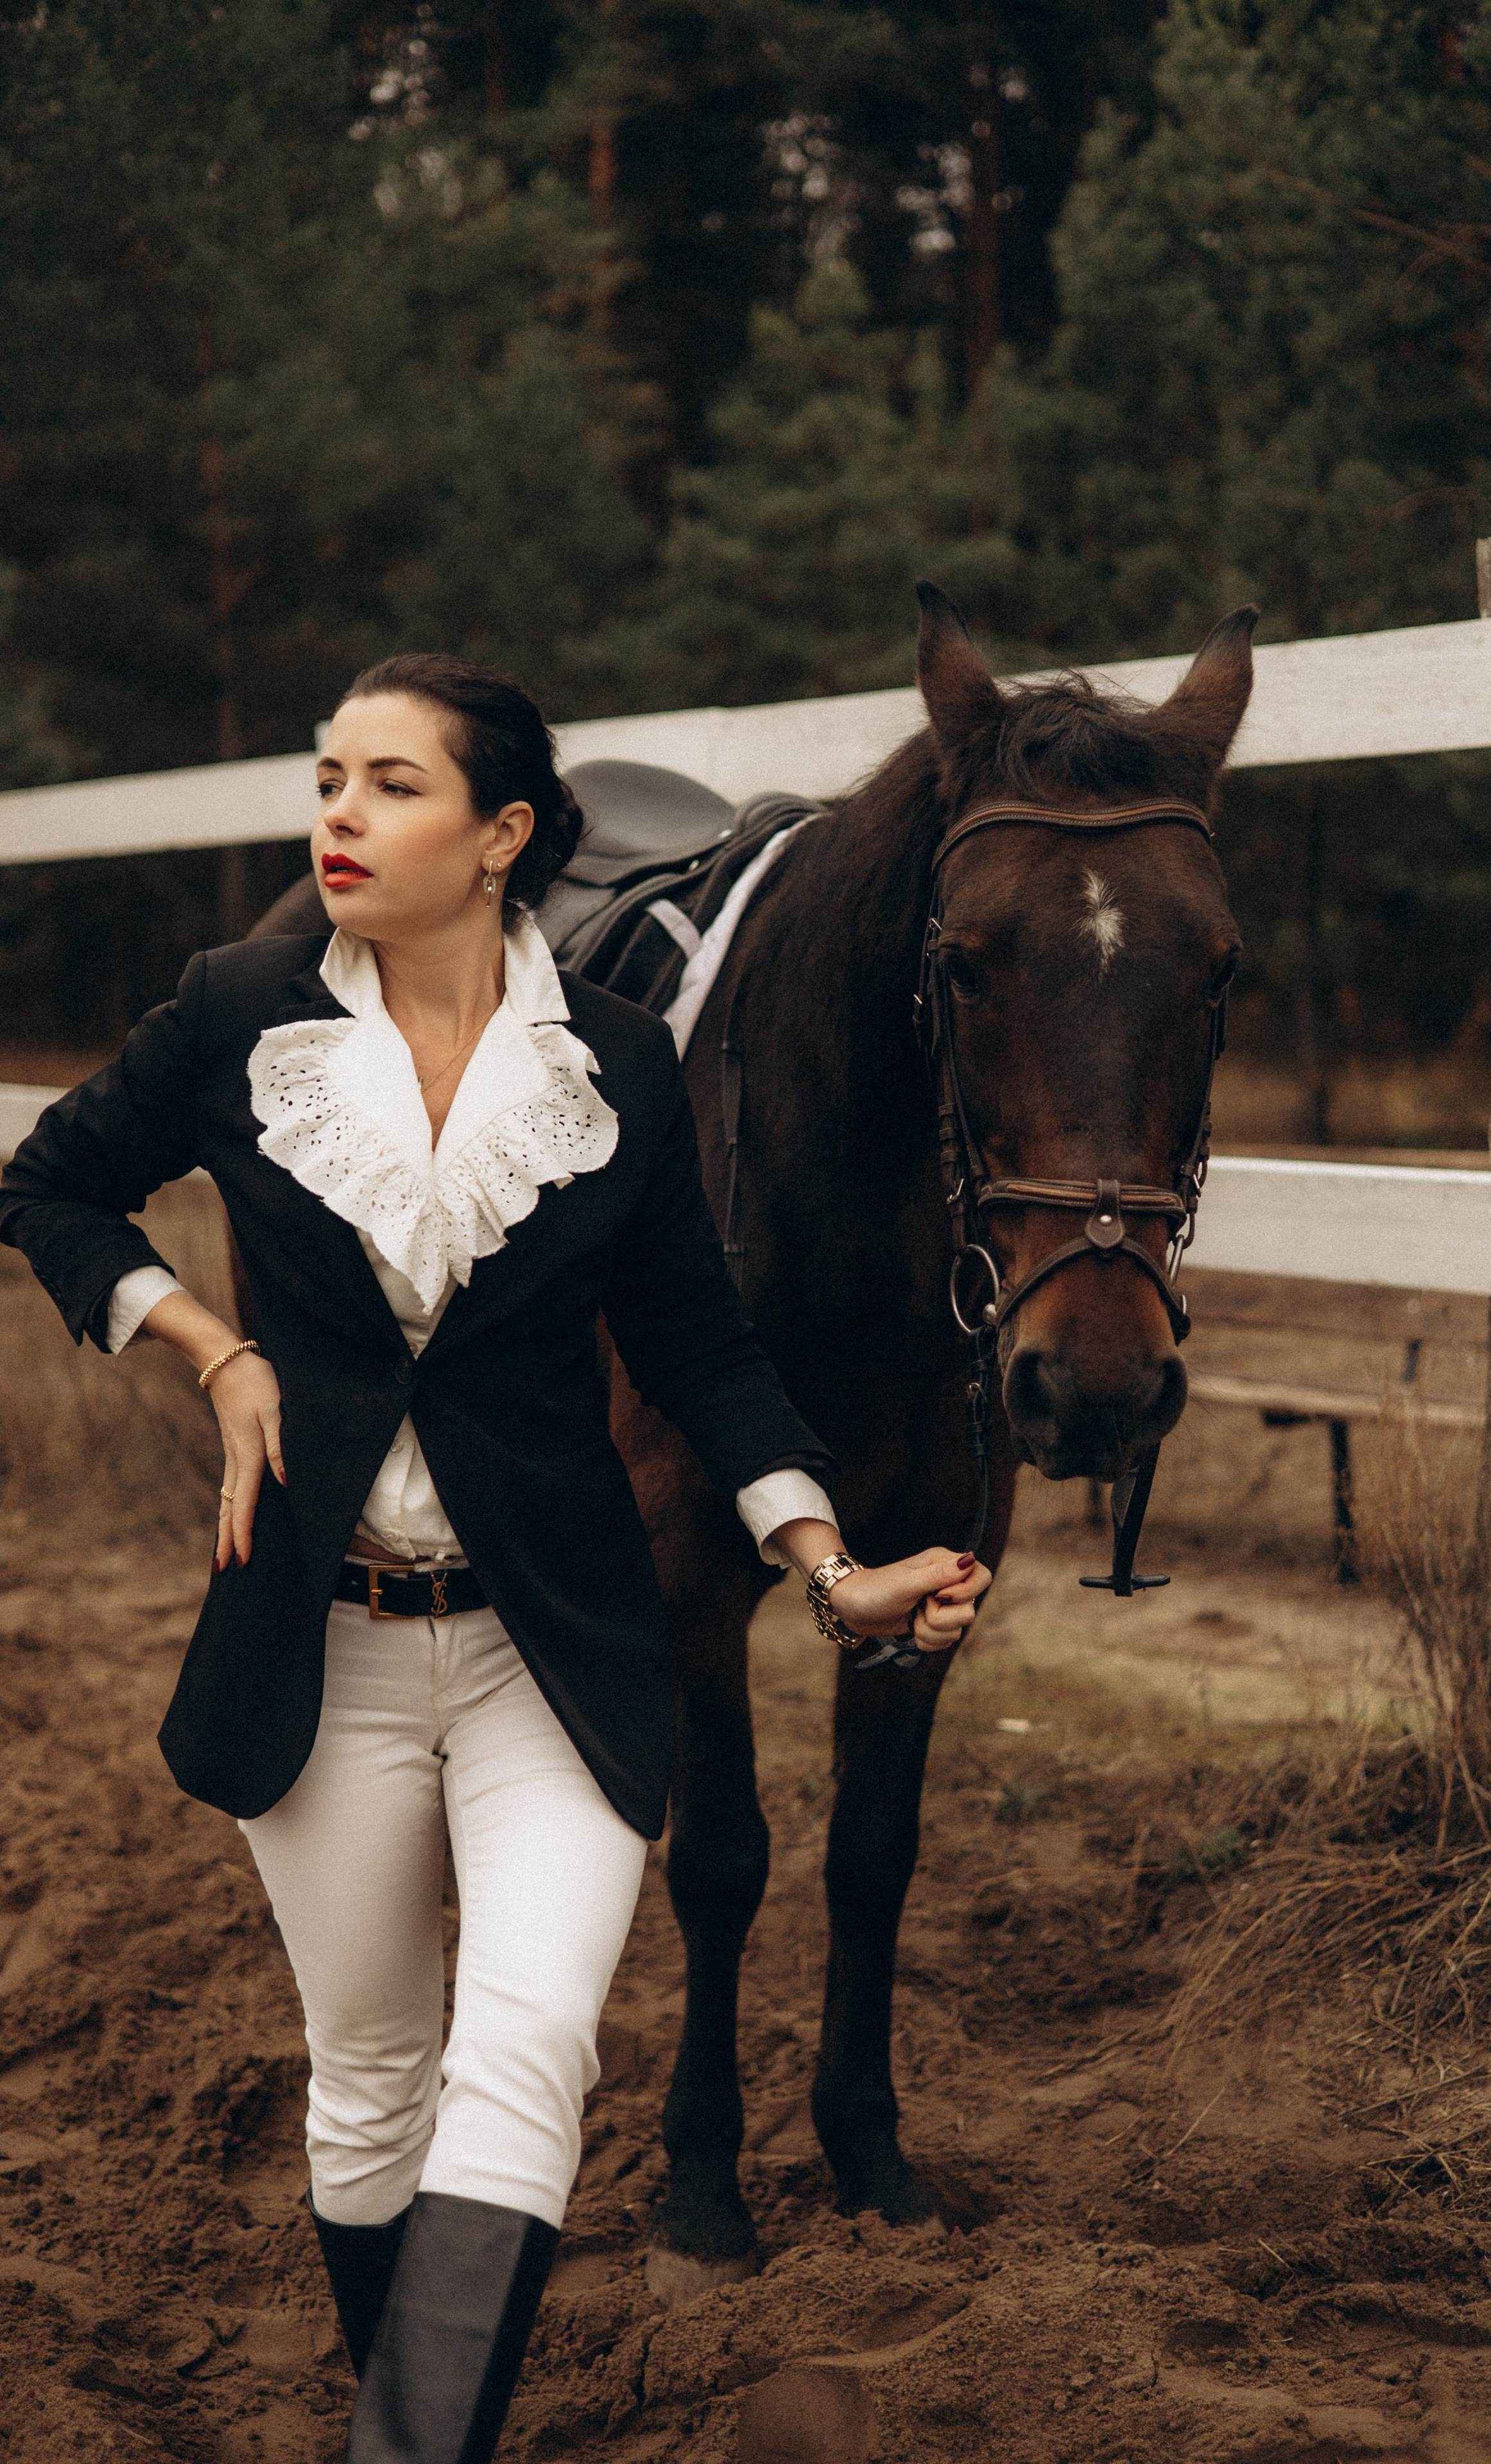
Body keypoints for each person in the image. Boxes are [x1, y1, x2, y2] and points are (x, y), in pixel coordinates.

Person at [0, 654, 990, 2463]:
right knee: (374, 2086)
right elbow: (47, 1184)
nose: (339, 819)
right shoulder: (240, 1011)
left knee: (528, 2061)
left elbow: (700, 1346)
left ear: (502, 835)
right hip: (322, 1646)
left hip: (555, 1649)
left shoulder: (612, 1065)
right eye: (329, 780)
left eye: (390, 787)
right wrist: (207, 1347)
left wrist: (830, 1565)